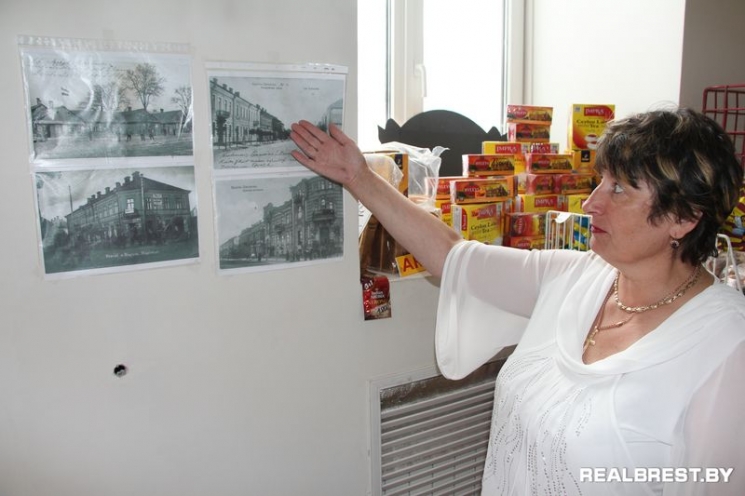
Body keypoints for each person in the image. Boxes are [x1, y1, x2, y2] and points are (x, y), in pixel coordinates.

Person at [290, 107, 745, 495]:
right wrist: (359, 177)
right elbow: (453, 256)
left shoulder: (725, 345)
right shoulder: (574, 277)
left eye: (620, 189)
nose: (591, 203)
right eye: (600, 181)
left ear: (684, 217)